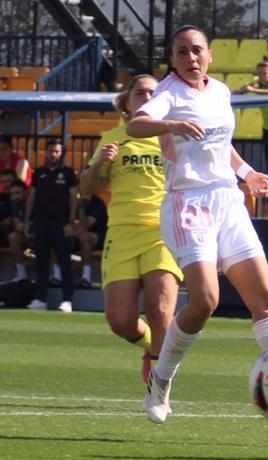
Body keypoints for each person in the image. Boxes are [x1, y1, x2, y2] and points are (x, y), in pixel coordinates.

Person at [128, 25, 268, 424]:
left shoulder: (219, 91)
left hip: (228, 202)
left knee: (265, 301)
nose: (190, 58)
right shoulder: (167, 94)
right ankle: (160, 381)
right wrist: (170, 125)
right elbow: (136, 124)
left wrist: (247, 173)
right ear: (173, 59)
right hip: (189, 204)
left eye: (197, 50)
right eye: (181, 52)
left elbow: (221, 145)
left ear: (210, 55)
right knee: (205, 301)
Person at [79, 74, 184, 384]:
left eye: (154, 92)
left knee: (161, 307)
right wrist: (99, 165)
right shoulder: (112, 137)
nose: (148, 96)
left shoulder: (172, 137)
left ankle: (160, 380)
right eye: (140, 92)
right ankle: (154, 347)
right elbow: (86, 188)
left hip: (162, 231)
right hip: (123, 231)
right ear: (126, 104)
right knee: (121, 321)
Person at [24, 138, 77, 312]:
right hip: (41, 223)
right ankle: (40, 299)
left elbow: (73, 198)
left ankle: (67, 300)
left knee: (64, 261)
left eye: (57, 151)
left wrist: (71, 221)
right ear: (45, 152)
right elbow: (32, 197)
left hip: (61, 224)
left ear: (61, 153)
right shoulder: (38, 173)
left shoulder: (68, 173)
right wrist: (27, 221)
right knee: (41, 262)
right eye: (51, 151)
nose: (53, 154)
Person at [233, 56, 268, 170]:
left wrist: (254, 90)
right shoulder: (256, 81)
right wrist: (243, 90)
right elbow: (240, 91)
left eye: (265, 73)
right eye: (259, 73)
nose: (262, 76)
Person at [73, 192, 108, 288]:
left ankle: (86, 277)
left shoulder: (97, 204)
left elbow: (87, 225)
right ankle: (57, 275)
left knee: (85, 237)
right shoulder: (74, 201)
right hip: (78, 234)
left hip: (100, 236)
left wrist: (81, 207)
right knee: (56, 234)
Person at [0, 179, 28, 281]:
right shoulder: (14, 204)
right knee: (13, 237)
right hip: (27, 235)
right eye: (12, 194)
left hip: (43, 236)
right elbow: (17, 224)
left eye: (18, 193)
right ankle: (22, 275)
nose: (14, 196)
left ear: (26, 192)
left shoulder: (35, 202)